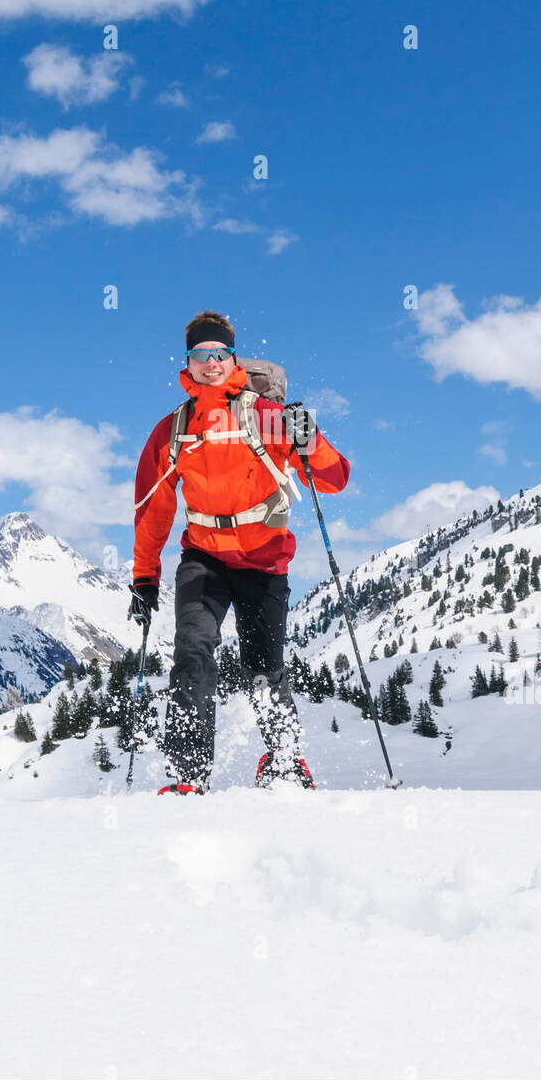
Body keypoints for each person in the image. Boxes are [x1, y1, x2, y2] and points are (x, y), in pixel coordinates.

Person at [128, 309, 350, 795]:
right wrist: (144, 577)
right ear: (188, 360)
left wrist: (310, 443)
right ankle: (188, 775)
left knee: (263, 669)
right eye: (201, 354)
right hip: (202, 559)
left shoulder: (270, 417)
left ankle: (285, 761)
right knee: (192, 651)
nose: (211, 362)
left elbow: (334, 479)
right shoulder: (171, 431)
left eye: (220, 353)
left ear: (233, 357)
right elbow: (153, 509)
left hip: (265, 559)